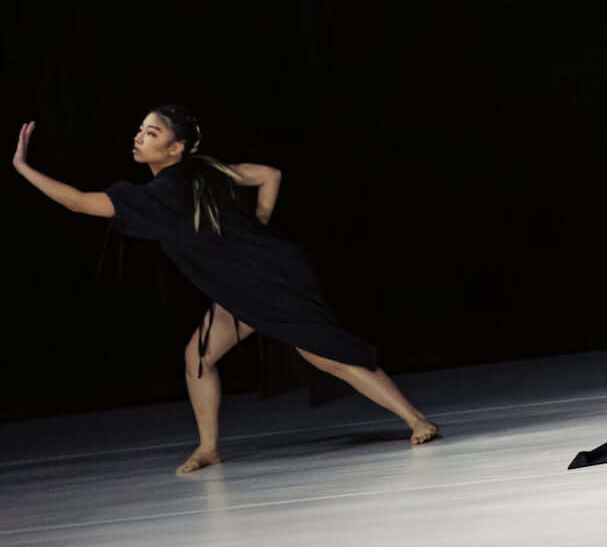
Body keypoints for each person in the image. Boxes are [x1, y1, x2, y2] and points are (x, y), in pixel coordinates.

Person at [11, 105, 439, 474]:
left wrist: (23, 168)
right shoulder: (202, 171)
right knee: (198, 358)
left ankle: (417, 420)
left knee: (324, 355)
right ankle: (209, 448)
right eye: (140, 130)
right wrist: (260, 225)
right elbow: (269, 175)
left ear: (176, 148)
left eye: (151, 133)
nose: (139, 137)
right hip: (244, 283)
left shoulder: (163, 193)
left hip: (270, 279)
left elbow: (76, 201)